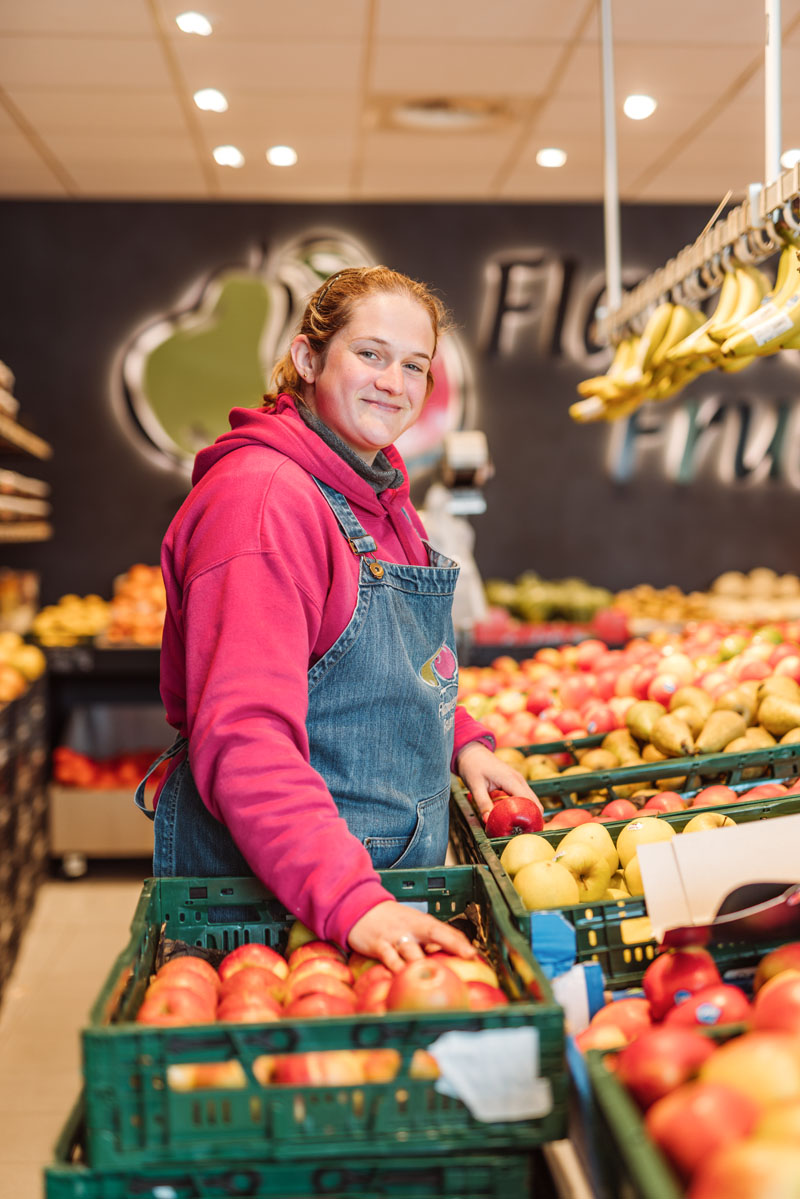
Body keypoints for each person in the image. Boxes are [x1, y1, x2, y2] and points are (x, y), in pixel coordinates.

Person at [136, 265, 541, 971]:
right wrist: (352, 898)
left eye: (415, 365)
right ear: (307, 358)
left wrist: (465, 742)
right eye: (372, 354)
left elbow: (405, 664)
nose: (395, 382)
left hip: (367, 884)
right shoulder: (260, 504)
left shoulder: (373, 489)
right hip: (275, 904)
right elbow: (244, 736)